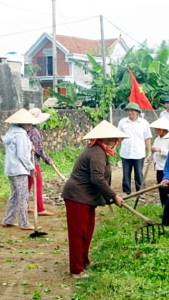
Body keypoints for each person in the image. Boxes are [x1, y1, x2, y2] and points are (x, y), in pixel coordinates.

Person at [61, 120, 127, 279]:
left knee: (87, 231)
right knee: (79, 233)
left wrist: (109, 197)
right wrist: (113, 196)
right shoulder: (97, 152)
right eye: (108, 139)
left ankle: (84, 260)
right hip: (77, 196)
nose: (112, 142)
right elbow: (97, 179)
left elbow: (100, 179)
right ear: (101, 139)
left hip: (86, 197)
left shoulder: (100, 151)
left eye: (114, 139)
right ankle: (76, 270)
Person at [1, 108, 39, 230]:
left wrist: (30, 147)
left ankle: (8, 219)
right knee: (23, 195)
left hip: (11, 169)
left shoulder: (11, 133)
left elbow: (20, 149)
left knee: (15, 194)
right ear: (22, 123)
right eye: (28, 123)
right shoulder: (21, 135)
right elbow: (22, 154)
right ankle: (24, 222)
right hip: (19, 169)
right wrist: (31, 167)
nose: (30, 125)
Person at [117, 102, 153, 195]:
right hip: (126, 152)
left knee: (139, 174)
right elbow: (118, 137)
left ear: (137, 112)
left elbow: (147, 138)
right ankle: (126, 192)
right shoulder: (122, 122)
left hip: (138, 153)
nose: (130, 112)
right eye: (128, 111)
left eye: (132, 111)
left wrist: (149, 152)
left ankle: (141, 192)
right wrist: (114, 147)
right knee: (126, 175)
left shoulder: (144, 123)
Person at [28, 107, 55, 216]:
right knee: (38, 183)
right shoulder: (34, 131)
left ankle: (25, 206)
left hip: (25, 161)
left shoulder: (26, 130)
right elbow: (39, 150)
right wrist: (47, 159)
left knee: (28, 184)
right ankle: (40, 208)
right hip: (33, 162)